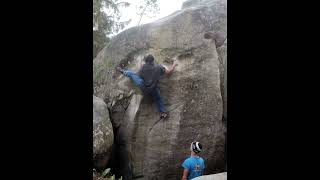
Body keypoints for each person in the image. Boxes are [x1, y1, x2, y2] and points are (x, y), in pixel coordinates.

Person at [116, 54, 177, 119]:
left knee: (132, 74)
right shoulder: (158, 67)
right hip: (153, 89)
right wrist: (174, 65)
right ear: (153, 61)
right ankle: (163, 113)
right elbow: (168, 72)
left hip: (143, 87)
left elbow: (140, 75)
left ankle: (124, 72)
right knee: (158, 99)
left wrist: (141, 65)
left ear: (145, 61)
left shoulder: (142, 68)